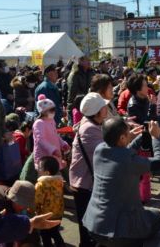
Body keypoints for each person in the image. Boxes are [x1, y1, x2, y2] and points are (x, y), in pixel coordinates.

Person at [83, 117, 160, 245]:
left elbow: (121, 152)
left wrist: (139, 137)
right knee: (158, 216)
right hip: (120, 232)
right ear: (122, 138)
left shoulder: (99, 150)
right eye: (128, 132)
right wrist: (156, 137)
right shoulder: (128, 161)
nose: (130, 134)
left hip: (94, 225)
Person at [69, 92, 110, 247]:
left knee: (91, 225)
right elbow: (106, 153)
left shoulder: (93, 124)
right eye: (103, 106)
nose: (106, 107)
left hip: (86, 181)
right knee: (88, 228)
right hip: (84, 184)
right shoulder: (89, 129)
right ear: (97, 111)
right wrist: (127, 140)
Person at [32, 95, 70, 172]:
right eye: (51, 110)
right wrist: (53, 150)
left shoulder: (51, 121)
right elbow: (40, 140)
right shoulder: (39, 123)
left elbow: (55, 135)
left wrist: (63, 144)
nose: (54, 112)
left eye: (54, 109)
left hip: (54, 156)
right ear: (43, 111)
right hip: (44, 157)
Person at [35, 156, 65, 247]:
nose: (37, 169)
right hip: (58, 213)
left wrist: (34, 211)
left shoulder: (41, 184)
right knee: (55, 233)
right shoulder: (59, 182)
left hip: (45, 215)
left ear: (47, 172)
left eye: (39, 168)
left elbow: (37, 200)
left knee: (45, 235)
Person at [67, 57, 93, 122]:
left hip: (87, 104)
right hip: (76, 106)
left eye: (89, 60)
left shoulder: (90, 72)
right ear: (80, 61)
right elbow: (73, 92)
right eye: (87, 60)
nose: (89, 62)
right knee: (75, 127)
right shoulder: (75, 74)